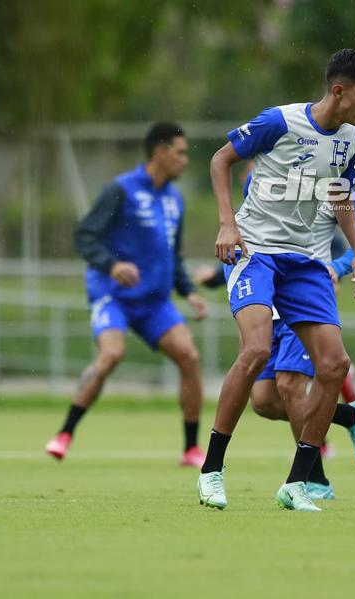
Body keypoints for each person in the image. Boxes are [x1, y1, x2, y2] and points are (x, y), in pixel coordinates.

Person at [198, 48, 355, 512]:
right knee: (258, 351)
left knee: (334, 365)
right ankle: (211, 471)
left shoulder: (351, 139)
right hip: (255, 252)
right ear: (338, 91)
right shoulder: (278, 122)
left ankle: (298, 482)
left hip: (305, 261)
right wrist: (228, 224)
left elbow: (342, 191)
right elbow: (220, 161)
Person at [44, 123, 209, 468]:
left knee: (189, 357)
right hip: (114, 296)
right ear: (159, 152)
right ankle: (64, 434)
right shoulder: (121, 189)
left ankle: (191, 449)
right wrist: (111, 265)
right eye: (179, 152)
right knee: (111, 356)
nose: (184, 160)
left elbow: (172, 254)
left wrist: (189, 292)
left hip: (154, 303)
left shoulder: (175, 199)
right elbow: (85, 236)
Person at [246, 199, 355, 501]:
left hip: (305, 301)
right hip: (270, 303)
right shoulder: (259, 183)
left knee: (290, 385)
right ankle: (349, 416)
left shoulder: (331, 185)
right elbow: (251, 239)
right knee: (264, 401)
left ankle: (315, 480)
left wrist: (336, 267)